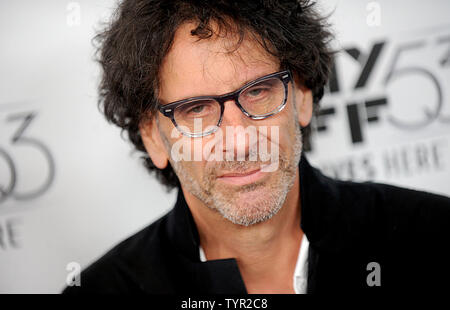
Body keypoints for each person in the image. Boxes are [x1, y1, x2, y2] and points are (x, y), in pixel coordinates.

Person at [63, 0, 450, 294]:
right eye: (196, 109)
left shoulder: (434, 240)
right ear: (152, 136)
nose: (240, 140)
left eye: (259, 91)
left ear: (301, 94)